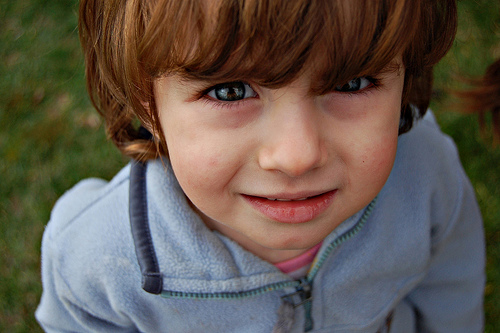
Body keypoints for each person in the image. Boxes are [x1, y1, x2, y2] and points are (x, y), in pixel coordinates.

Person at [36, 0, 485, 332]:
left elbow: (452, 282)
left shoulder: (426, 175)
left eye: (352, 82)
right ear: (147, 104)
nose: (297, 156)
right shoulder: (98, 262)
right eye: (231, 91)